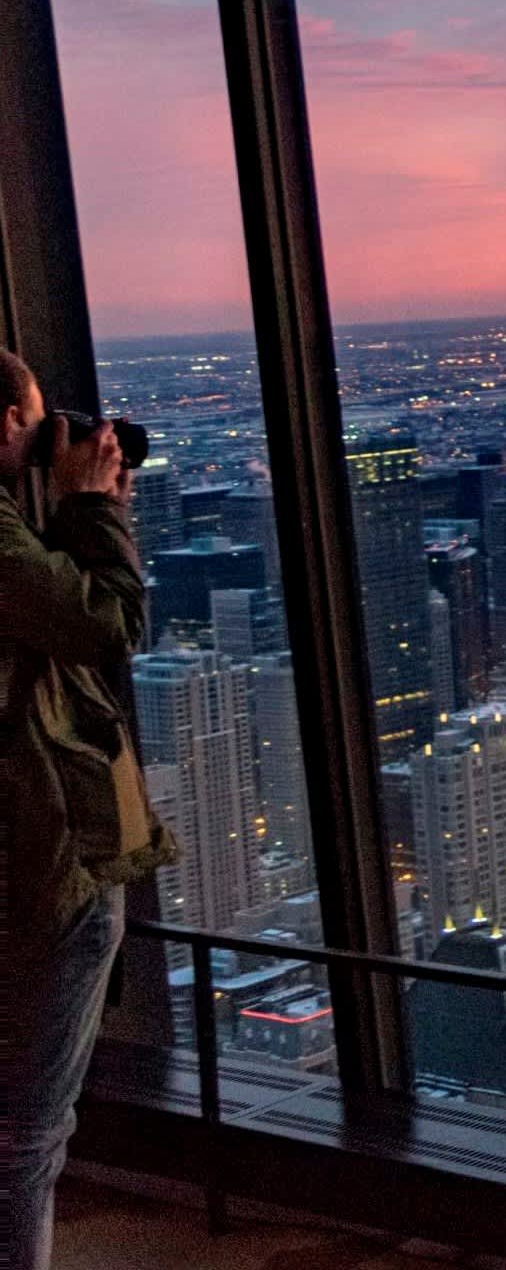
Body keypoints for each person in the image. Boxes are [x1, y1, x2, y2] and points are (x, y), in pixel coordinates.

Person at [0, 349, 167, 1270]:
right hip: (39, 851)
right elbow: (109, 626)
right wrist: (93, 507)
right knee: (26, 1134)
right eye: (33, 421)